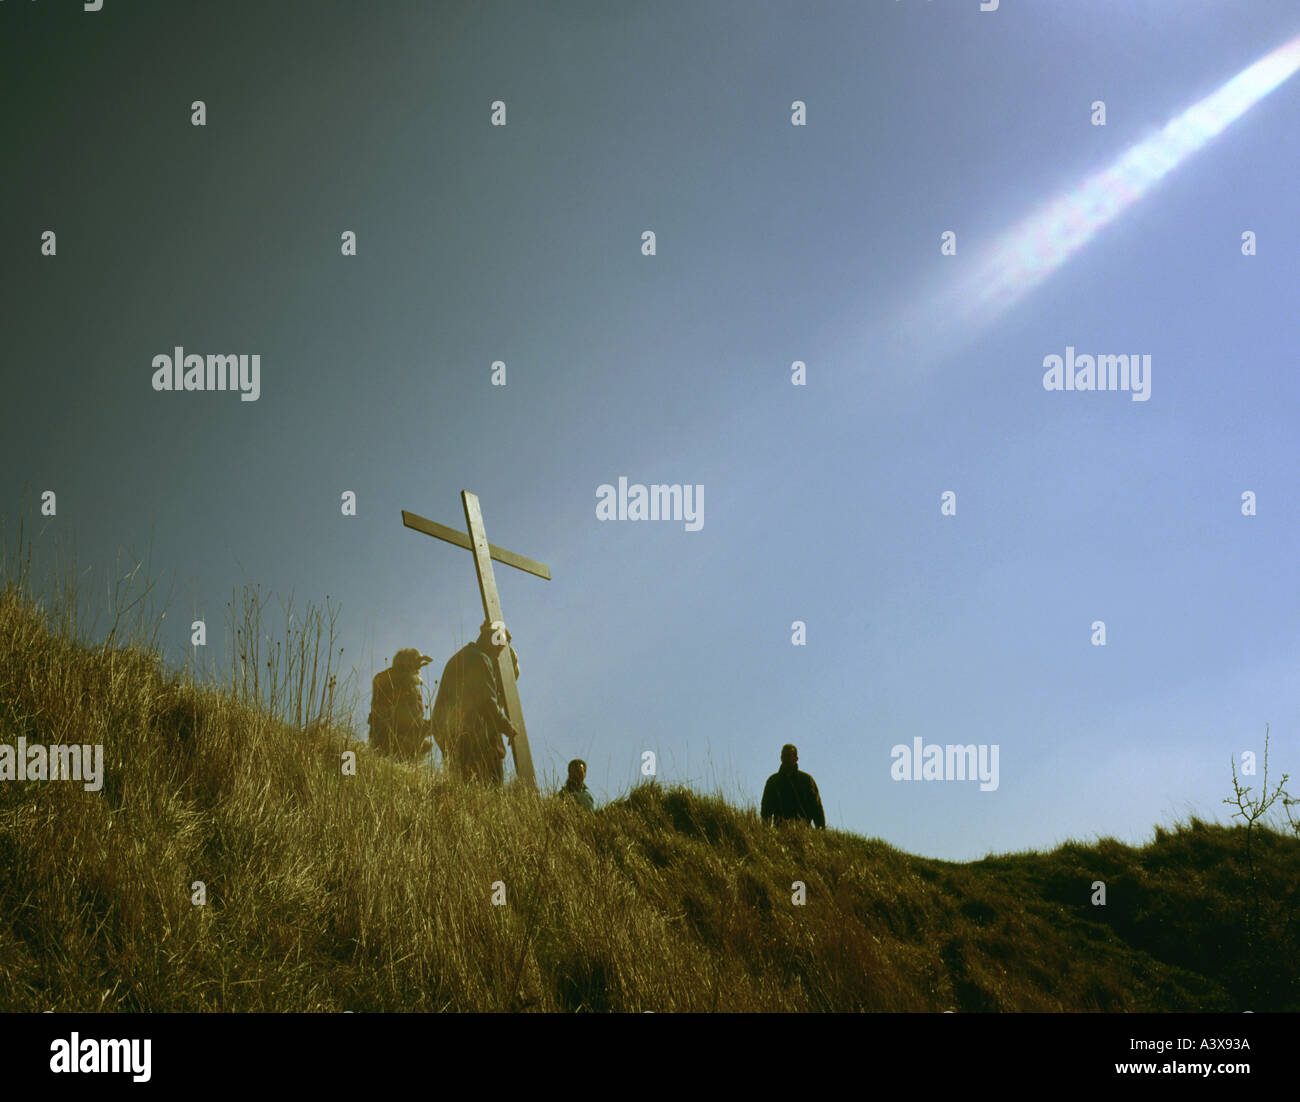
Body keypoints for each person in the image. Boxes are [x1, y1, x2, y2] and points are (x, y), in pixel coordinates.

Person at [431, 620, 520, 784]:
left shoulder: (461, 657)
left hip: (451, 734)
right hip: (472, 738)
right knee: (488, 789)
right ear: (490, 642)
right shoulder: (479, 659)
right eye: (498, 648)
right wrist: (506, 726)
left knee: (461, 787)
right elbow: (487, 701)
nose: (498, 654)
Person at [369, 648, 435, 761]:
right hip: (389, 745)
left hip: (403, 746)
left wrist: (434, 725)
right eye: (416, 664)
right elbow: (403, 719)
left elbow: (414, 721)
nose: (419, 670)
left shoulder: (412, 690)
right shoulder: (388, 679)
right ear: (406, 662)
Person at [760, 744, 825, 828]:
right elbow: (766, 809)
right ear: (781, 758)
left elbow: (816, 807)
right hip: (780, 830)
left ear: (796, 758)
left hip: (804, 831)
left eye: (789, 755)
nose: (786, 758)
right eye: (783, 755)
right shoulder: (773, 781)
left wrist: (820, 830)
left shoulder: (806, 780)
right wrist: (765, 830)